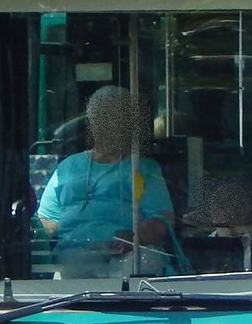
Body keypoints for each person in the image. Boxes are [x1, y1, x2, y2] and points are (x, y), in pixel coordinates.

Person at [37, 86, 183, 277]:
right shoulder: (68, 166)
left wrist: (136, 238)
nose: (110, 125)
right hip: (74, 253)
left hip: (130, 251)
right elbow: (46, 219)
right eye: (102, 117)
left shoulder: (143, 168)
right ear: (92, 123)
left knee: (143, 264)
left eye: (117, 118)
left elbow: (162, 218)